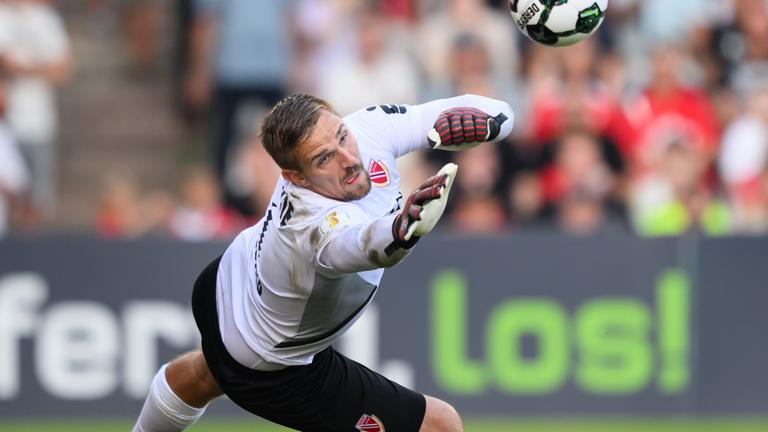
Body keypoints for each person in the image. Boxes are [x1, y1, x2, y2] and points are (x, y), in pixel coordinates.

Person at [132, 93, 514, 432]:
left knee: (202, 375)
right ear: (294, 176)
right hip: (270, 368)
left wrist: (492, 123)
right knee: (439, 426)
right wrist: (403, 229)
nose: (348, 159)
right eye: (323, 159)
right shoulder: (310, 227)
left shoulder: (365, 128)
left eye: (341, 136)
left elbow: (483, 111)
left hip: (222, 283)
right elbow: (364, 246)